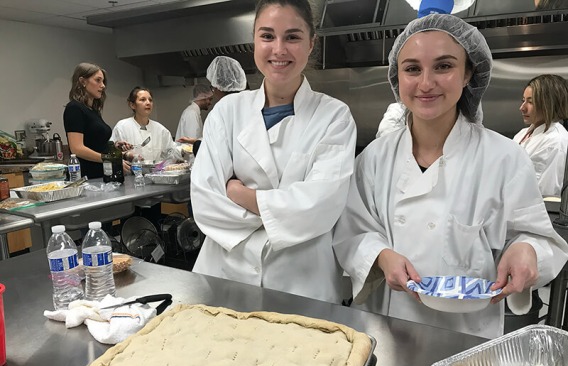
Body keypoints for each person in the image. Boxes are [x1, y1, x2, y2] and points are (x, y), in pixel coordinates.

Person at [332, 13, 568, 339]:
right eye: (412, 68)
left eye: (443, 66)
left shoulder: (503, 158)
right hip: (388, 327)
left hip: (469, 333)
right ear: (397, 77)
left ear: (469, 73)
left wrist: (527, 250)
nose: (426, 83)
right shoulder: (374, 158)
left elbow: (539, 238)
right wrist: (381, 256)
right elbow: (352, 231)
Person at [190, 0, 357, 303]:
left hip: (301, 283)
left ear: (311, 44)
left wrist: (243, 196)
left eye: (292, 37)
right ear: (253, 41)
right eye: (267, 36)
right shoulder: (227, 111)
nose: (278, 49)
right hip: (225, 276)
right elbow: (205, 201)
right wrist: (285, 211)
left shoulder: (334, 116)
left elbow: (320, 207)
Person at [513, 74, 568, 196]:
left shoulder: (555, 142)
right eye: (523, 101)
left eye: (530, 102)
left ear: (549, 104)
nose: (522, 108)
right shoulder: (521, 134)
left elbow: (545, 194)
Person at [63, 62, 113, 179]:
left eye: (103, 81)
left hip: (101, 175)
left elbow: (94, 143)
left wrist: (116, 147)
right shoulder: (74, 108)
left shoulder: (93, 111)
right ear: (83, 81)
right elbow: (77, 148)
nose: (103, 86)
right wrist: (109, 159)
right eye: (98, 80)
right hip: (87, 177)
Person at [112, 86, 179, 163]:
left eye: (150, 100)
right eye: (142, 100)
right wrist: (125, 153)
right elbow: (112, 154)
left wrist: (182, 151)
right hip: (129, 173)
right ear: (132, 105)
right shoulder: (122, 127)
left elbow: (171, 155)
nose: (148, 103)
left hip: (157, 173)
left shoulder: (161, 130)